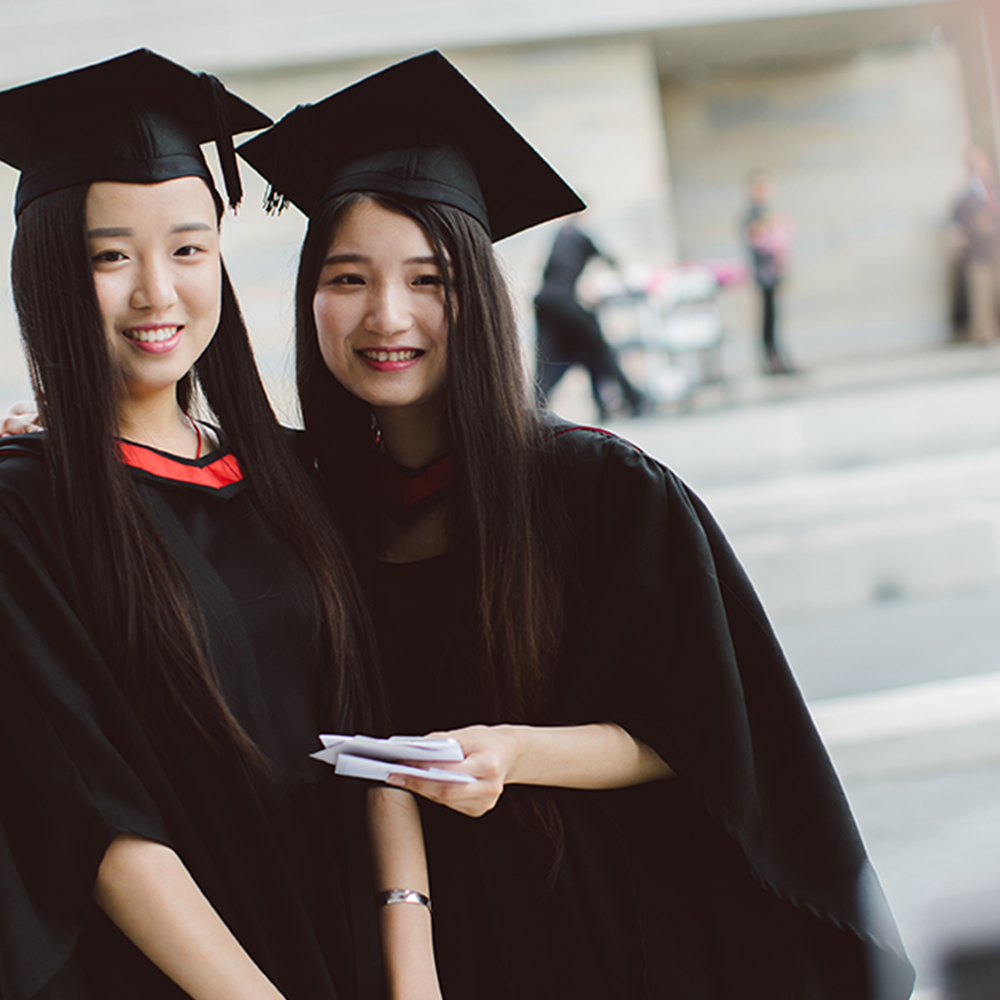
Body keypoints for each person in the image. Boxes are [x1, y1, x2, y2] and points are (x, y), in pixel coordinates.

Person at [238, 51, 916, 999]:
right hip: (388, 934)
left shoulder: (601, 489)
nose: (386, 314)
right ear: (310, 296)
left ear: (479, 296)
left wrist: (514, 751)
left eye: (428, 278)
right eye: (348, 278)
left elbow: (705, 730)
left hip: (583, 924)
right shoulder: (298, 503)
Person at [0, 51, 440, 1000]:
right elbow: (90, 809)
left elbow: (377, 737)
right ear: (46, 274)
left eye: (189, 249)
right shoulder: (23, 512)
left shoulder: (296, 477)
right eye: (110, 256)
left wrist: (413, 973)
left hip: (358, 949)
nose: (158, 293)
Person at [535, 217, 646, 419]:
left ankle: (535, 407)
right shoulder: (580, 236)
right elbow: (609, 260)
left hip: (544, 301)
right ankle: (634, 398)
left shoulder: (559, 236)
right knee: (599, 346)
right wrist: (627, 280)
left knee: (551, 359)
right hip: (562, 301)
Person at [742, 170, 794, 374]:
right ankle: (771, 359)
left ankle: (776, 357)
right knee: (768, 318)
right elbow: (760, 242)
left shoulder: (761, 212)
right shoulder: (754, 214)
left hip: (770, 272)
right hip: (765, 274)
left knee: (773, 317)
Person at [952, 146, 1000, 344]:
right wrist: (976, 226)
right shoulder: (966, 195)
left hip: (995, 248)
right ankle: (983, 335)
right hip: (978, 252)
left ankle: (992, 331)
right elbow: (959, 222)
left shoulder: (994, 189)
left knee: (994, 291)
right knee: (981, 294)